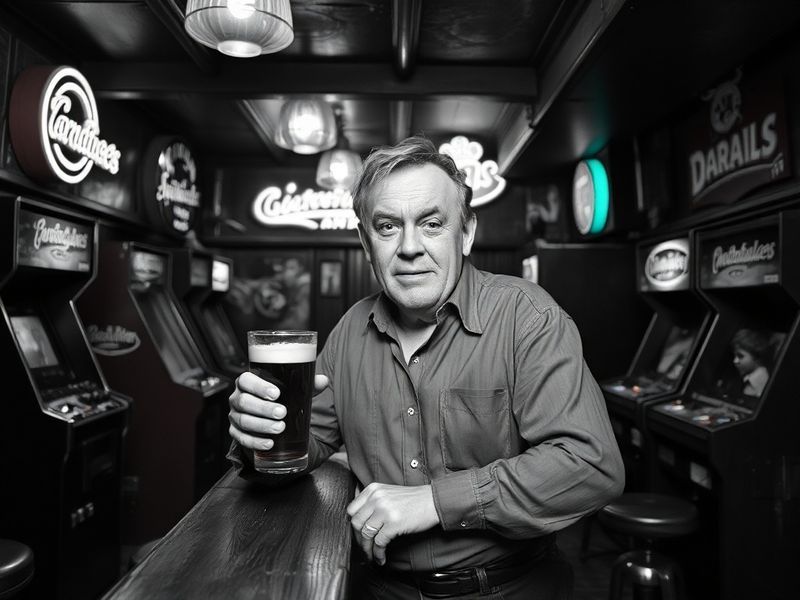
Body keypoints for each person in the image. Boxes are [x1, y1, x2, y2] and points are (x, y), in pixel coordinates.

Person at [227, 136, 624, 599]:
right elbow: (307, 446)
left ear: (467, 232)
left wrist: (435, 502)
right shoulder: (350, 331)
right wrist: (259, 432)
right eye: (388, 227)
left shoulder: (526, 317)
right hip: (377, 588)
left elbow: (591, 466)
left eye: (432, 223)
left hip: (507, 588)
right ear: (365, 241)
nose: (410, 247)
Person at [730, 328, 777, 397]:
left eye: (740, 356)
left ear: (757, 357)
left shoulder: (763, 383)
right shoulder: (745, 380)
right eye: (735, 356)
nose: (735, 361)